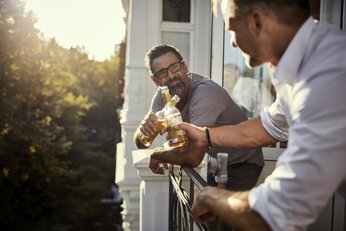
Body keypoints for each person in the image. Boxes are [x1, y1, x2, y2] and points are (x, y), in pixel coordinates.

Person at [150, 0, 346, 230]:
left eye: (232, 29)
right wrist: (205, 135)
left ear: (256, 21)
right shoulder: (305, 60)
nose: (232, 42)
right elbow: (268, 126)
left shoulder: (326, 75)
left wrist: (211, 197)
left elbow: (277, 211)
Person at [134, 44, 264, 192]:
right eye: (162, 73)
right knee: (207, 210)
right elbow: (142, 143)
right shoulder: (163, 94)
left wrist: (158, 154)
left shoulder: (205, 92)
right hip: (216, 160)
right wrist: (143, 128)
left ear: (184, 66)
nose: (171, 76)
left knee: (221, 212)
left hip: (243, 162)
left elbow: (193, 157)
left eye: (175, 67)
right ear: (155, 79)